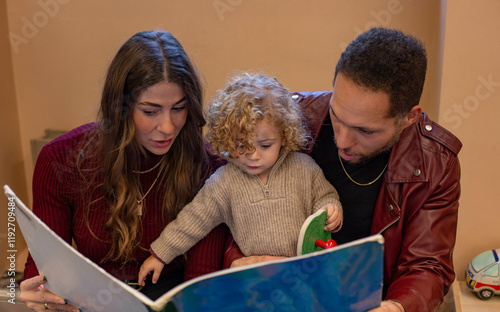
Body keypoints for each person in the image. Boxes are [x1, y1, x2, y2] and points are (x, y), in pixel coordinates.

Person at [225, 28, 462, 312]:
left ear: (409, 117)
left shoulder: (436, 161)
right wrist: (239, 259)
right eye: (337, 116)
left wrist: (397, 307)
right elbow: (232, 195)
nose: (343, 141)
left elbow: (427, 265)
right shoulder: (291, 119)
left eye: (365, 130)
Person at [19, 30, 231, 311]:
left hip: (172, 301)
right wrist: (41, 291)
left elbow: (199, 280)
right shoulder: (61, 159)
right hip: (91, 301)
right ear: (119, 109)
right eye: (150, 111)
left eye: (178, 108)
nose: (168, 127)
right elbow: (43, 263)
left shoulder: (208, 165)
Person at [137, 73, 343, 286]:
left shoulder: (304, 167)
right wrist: (160, 255)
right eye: (242, 146)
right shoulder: (224, 183)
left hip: (307, 274)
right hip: (257, 280)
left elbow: (325, 197)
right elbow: (192, 220)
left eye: (265, 145)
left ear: (283, 135)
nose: (253, 156)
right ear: (227, 139)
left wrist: (331, 209)